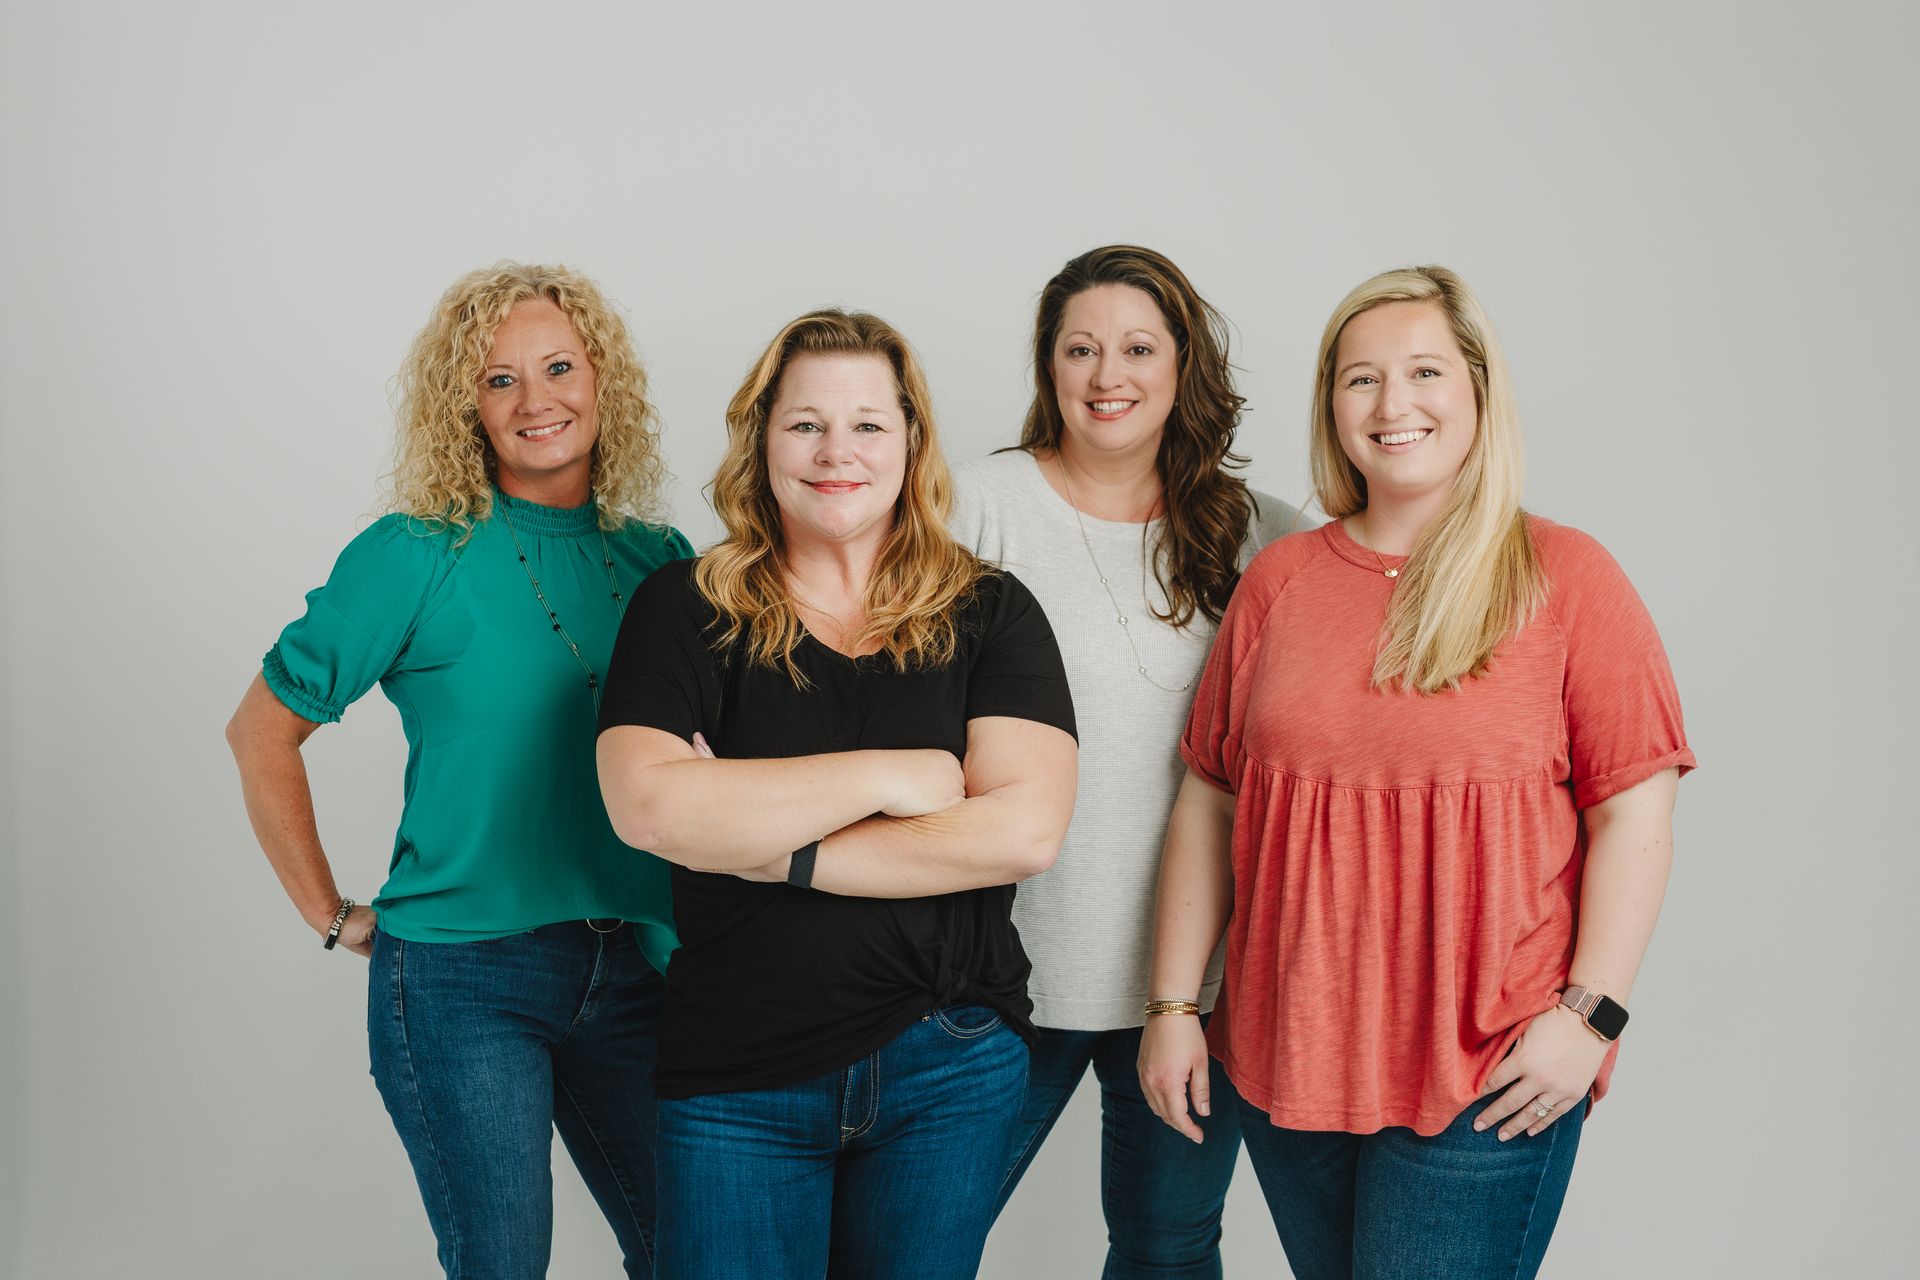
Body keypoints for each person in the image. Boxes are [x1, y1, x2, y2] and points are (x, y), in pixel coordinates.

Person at [1138, 265, 1694, 1280]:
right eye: (1361, 379)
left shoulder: (1567, 575)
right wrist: (1174, 1006)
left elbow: (1636, 816)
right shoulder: (1282, 579)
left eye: (1426, 370)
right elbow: (1211, 801)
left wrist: (1591, 1016)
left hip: (1488, 1064)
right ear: (1331, 405)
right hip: (1286, 1057)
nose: (1394, 405)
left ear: (1480, 391)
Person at [225, 263, 691, 1279]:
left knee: (697, 1249)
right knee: (503, 1259)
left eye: (560, 366)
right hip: (465, 974)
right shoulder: (414, 553)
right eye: (499, 380)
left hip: (642, 968)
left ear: (604, 381)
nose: (537, 401)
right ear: (465, 406)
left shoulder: (663, 558)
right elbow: (261, 731)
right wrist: (333, 912)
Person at [594, 308, 1079, 1280]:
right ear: (761, 440)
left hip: (946, 1058)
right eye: (804, 422)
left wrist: (776, 843)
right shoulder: (685, 609)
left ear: (911, 441)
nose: (835, 451)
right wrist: (892, 776)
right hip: (738, 1068)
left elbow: (1022, 830)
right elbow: (651, 809)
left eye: (867, 423)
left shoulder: (990, 611)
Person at [948, 244, 1296, 1278]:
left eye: (1139, 347)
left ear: (1183, 365)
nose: (1109, 375)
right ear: (1047, 366)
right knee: (914, 1242)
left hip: (1192, 980)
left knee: (1169, 1244)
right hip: (1003, 966)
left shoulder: (1261, 534)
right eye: (1081, 348)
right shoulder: (973, 504)